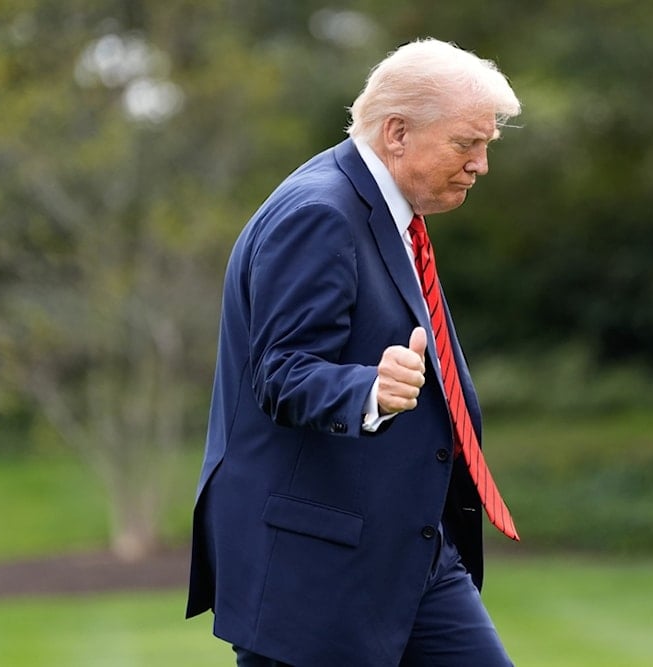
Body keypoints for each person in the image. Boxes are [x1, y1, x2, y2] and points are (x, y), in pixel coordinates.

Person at [186, 38, 523, 667]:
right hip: (315, 569)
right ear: (397, 133)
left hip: (409, 555)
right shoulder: (321, 212)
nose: (480, 164)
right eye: (465, 144)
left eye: (485, 146)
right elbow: (282, 371)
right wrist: (368, 389)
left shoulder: (383, 211)